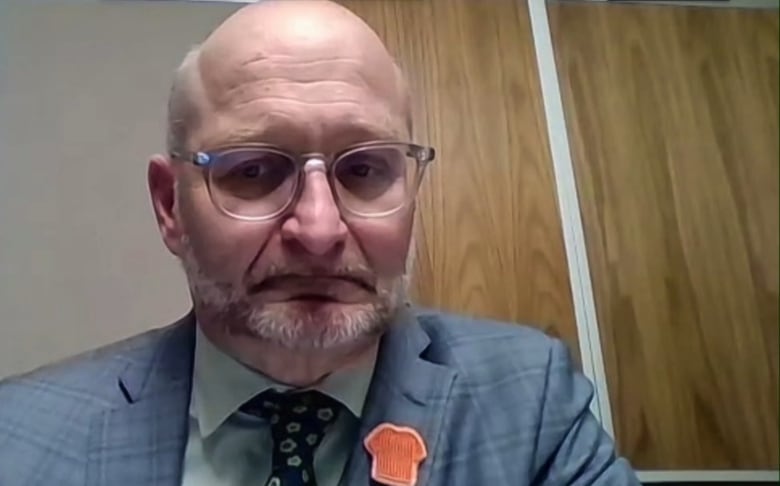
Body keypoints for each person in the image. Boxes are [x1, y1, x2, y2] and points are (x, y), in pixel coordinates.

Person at [0, 1, 639, 485]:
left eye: (364, 169)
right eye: (253, 169)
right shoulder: (21, 436)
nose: (320, 230)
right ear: (171, 205)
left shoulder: (529, 402)